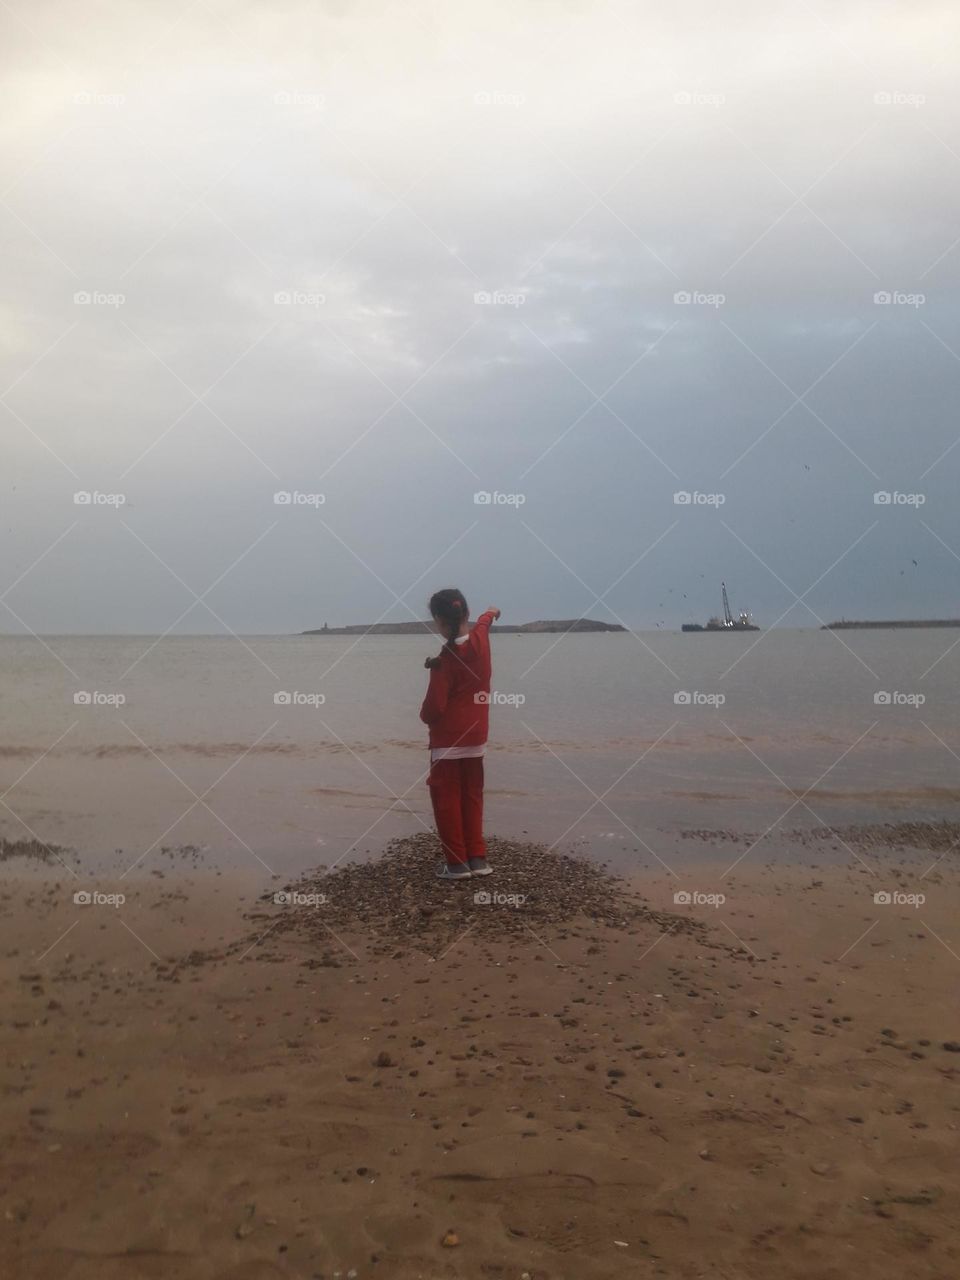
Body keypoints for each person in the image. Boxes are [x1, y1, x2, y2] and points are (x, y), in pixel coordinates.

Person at [419, 589, 500, 880]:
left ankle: (456, 864)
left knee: (446, 799)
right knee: (472, 795)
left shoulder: (444, 661)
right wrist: (491, 611)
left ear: (440, 621)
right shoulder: (481, 640)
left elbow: (433, 710)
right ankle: (477, 859)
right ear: (465, 613)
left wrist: (423, 715)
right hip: (477, 737)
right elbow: (486, 621)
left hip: (447, 742)